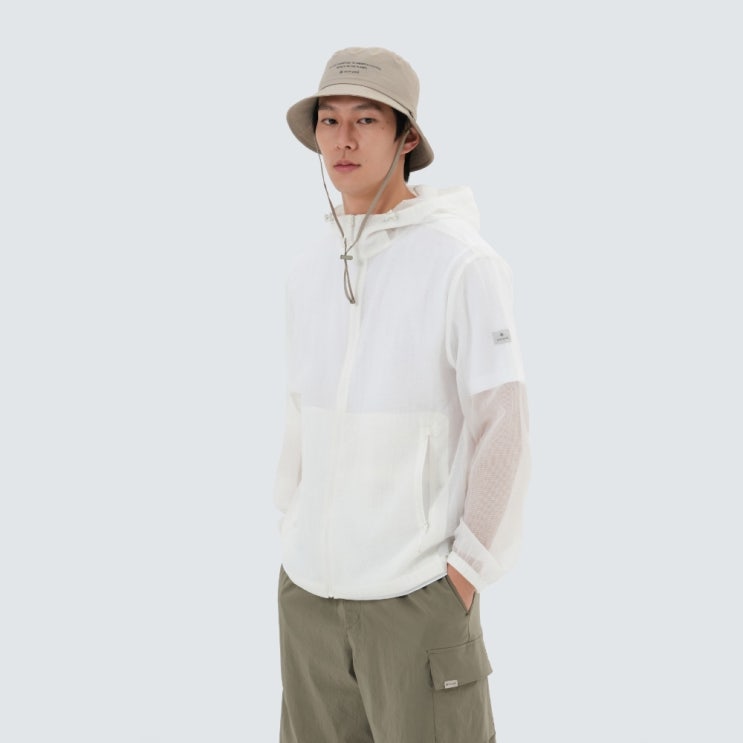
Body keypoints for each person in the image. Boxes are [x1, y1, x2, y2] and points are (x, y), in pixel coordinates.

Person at [273, 46, 531, 743]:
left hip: (415, 598)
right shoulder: (308, 267)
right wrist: (293, 531)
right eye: (329, 120)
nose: (343, 139)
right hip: (308, 598)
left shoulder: (462, 262)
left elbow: (502, 423)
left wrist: (465, 571)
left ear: (406, 137)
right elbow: (299, 412)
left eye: (366, 120)